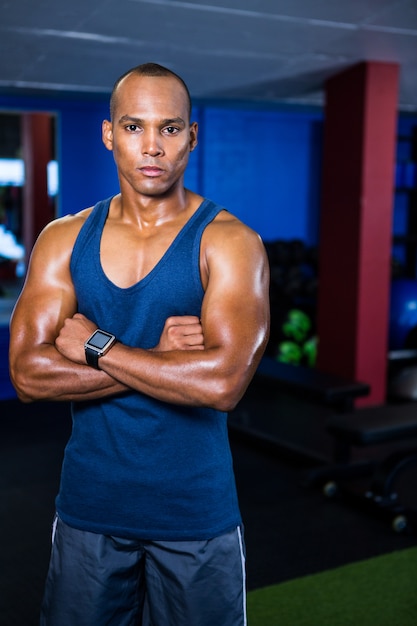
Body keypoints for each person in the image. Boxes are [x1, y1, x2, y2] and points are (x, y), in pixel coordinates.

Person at [9, 62, 270, 626]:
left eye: (170, 129)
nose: (152, 146)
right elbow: (29, 376)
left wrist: (100, 344)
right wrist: (162, 358)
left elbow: (222, 384)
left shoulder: (229, 242)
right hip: (89, 509)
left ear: (192, 136)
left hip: (196, 516)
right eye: (134, 127)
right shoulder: (64, 239)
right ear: (109, 134)